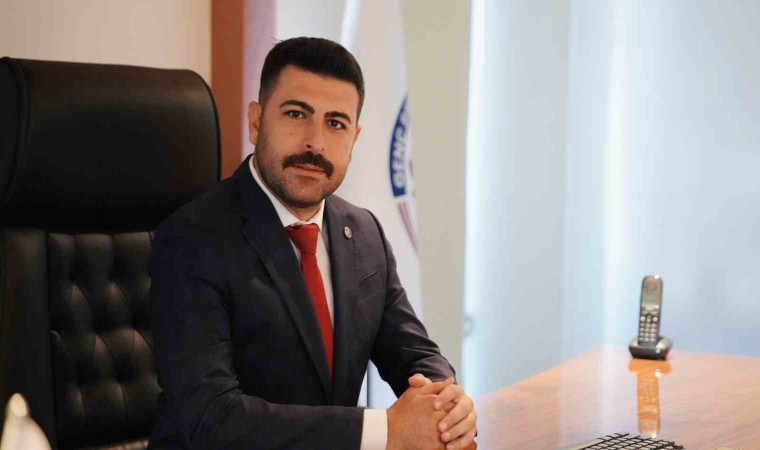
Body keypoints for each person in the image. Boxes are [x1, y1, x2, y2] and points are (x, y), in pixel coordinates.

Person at [148, 37, 476, 450]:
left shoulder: (365, 232)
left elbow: (413, 352)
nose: (315, 143)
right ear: (256, 122)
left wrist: (446, 402)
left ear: (354, 139)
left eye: (336, 123)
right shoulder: (191, 239)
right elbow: (210, 417)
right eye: (296, 114)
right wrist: (385, 430)